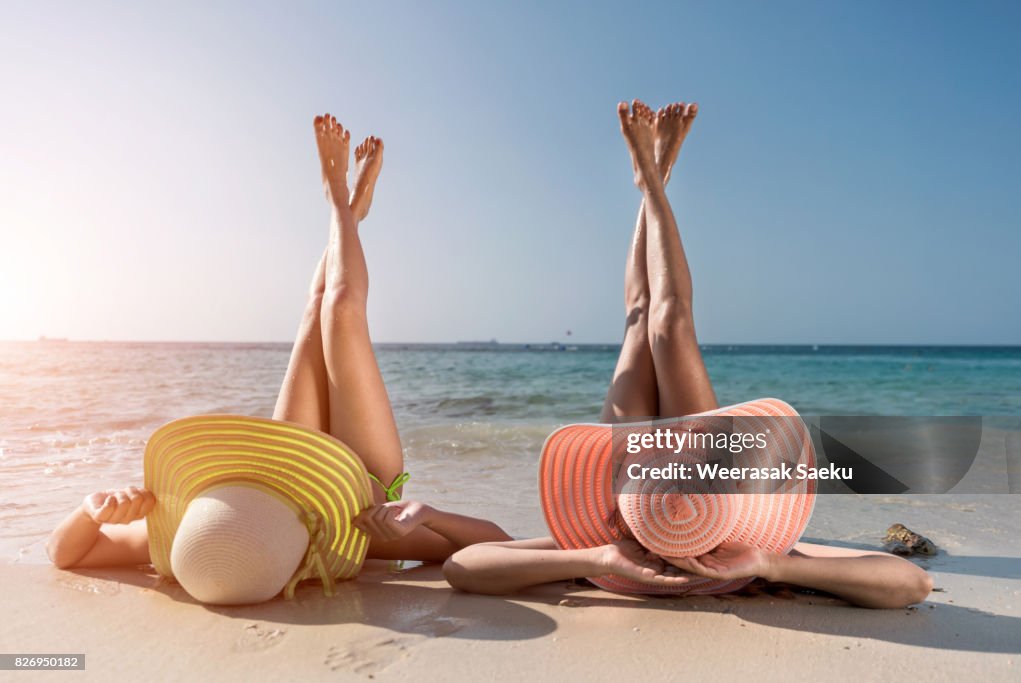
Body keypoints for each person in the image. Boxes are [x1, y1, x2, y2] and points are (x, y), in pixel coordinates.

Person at [441, 100, 933, 609]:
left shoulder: (609, 540)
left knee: (641, 320)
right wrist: (768, 563)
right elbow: (912, 584)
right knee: (671, 320)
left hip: (627, 485)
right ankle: (654, 179)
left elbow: (466, 566)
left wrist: (595, 561)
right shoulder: (739, 549)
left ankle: (652, 177)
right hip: (701, 464)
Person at [47, 113, 511, 579]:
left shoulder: (204, 534)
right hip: (357, 485)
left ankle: (348, 212)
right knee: (342, 308)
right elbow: (503, 544)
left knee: (315, 309)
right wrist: (428, 515)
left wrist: (92, 511)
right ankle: (342, 205)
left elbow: (64, 554)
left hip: (281, 471)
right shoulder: (350, 533)